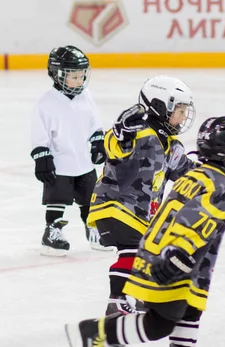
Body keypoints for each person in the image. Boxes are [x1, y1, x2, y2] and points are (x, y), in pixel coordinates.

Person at [66, 116, 225, 347]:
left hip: (161, 257)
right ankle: (98, 333)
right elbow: (192, 220)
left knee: (190, 310)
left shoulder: (195, 176)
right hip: (174, 263)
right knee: (159, 324)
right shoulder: (222, 188)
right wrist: (177, 258)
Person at [86, 76, 199, 314]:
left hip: (142, 216)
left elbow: (187, 172)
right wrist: (120, 134)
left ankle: (141, 298)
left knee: (151, 255)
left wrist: (212, 174)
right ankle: (117, 300)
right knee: (133, 252)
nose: (182, 116)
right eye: (178, 110)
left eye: (184, 110)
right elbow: (113, 148)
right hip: (115, 206)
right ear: (159, 106)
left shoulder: (173, 146)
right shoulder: (139, 133)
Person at [30, 45, 112, 256]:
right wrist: (42, 157)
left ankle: (93, 229)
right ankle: (52, 232)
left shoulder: (86, 96)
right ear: (57, 75)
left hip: (83, 162)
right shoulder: (46, 103)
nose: (80, 81)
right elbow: (40, 135)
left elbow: (94, 124)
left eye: (81, 75)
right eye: (73, 76)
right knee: (57, 199)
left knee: (90, 199)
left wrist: (97, 142)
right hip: (60, 163)